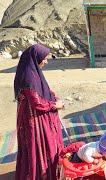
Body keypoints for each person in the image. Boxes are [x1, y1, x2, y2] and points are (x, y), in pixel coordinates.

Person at [14, 44, 65, 179]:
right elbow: (37, 102)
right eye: (44, 58)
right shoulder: (28, 77)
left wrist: (53, 95)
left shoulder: (33, 72)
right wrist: (55, 105)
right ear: (36, 58)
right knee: (39, 148)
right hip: (34, 121)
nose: (46, 61)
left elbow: (43, 91)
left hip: (38, 116)